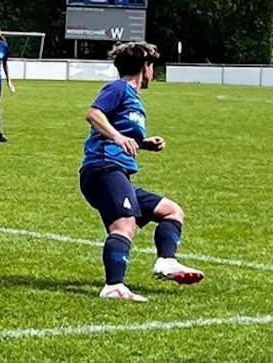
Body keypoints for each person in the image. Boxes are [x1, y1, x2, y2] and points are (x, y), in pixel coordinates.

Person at [79, 41, 203, 302]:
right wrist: (116, 136)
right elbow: (93, 114)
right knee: (124, 226)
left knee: (172, 211)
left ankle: (166, 261)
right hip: (103, 169)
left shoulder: (133, 98)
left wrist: (143, 144)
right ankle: (114, 286)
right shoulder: (118, 88)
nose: (153, 73)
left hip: (116, 171)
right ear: (145, 67)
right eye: (152, 66)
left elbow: (120, 133)